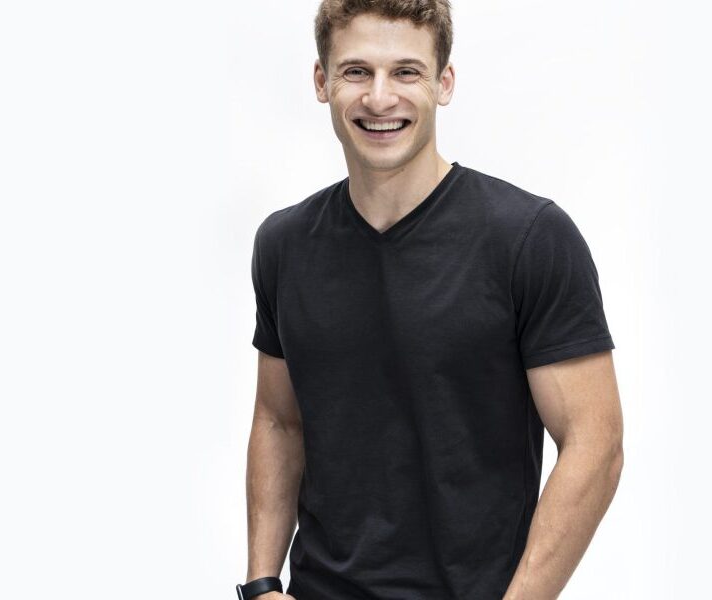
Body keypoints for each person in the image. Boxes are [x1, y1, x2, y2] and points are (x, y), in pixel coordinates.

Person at [238, 2, 624, 599]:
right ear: (322, 81)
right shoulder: (284, 244)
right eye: (356, 71)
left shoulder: (528, 238)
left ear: (444, 83)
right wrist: (262, 583)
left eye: (406, 72)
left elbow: (594, 443)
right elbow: (278, 420)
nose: (380, 98)